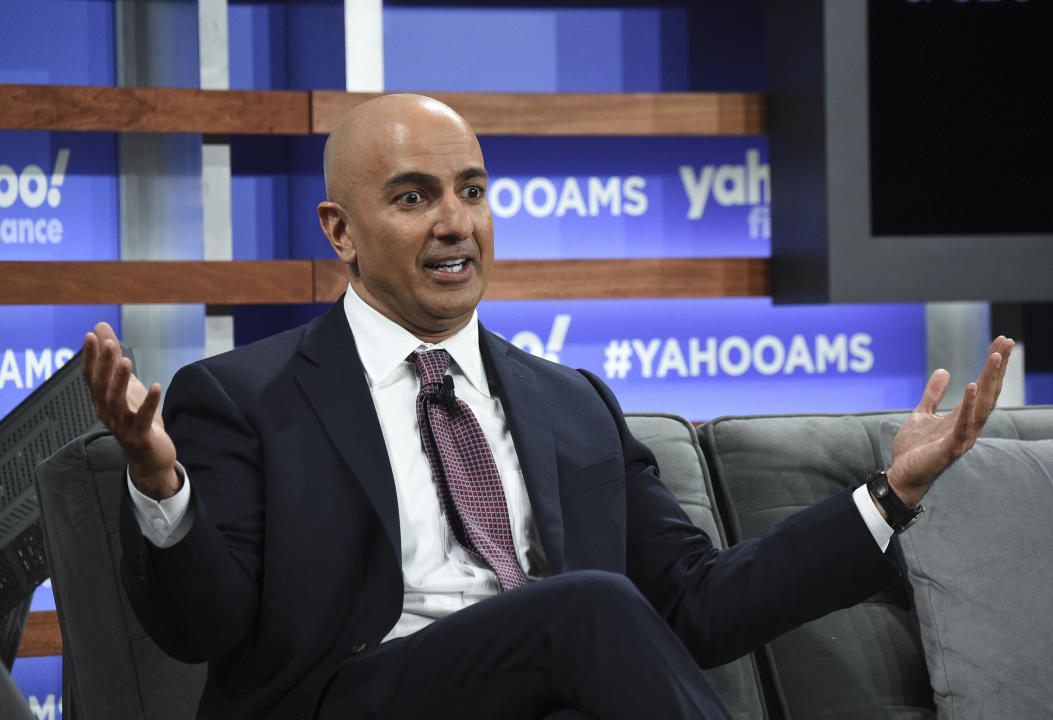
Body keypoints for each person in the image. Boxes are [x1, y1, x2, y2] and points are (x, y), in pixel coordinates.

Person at [82, 94, 1013, 720]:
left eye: (472, 191)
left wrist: (887, 495)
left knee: (591, 620)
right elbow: (199, 630)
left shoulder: (569, 403)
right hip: (355, 694)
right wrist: (159, 481)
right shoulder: (246, 397)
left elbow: (694, 604)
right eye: (413, 198)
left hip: (550, 690)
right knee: (586, 610)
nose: (455, 222)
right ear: (342, 233)